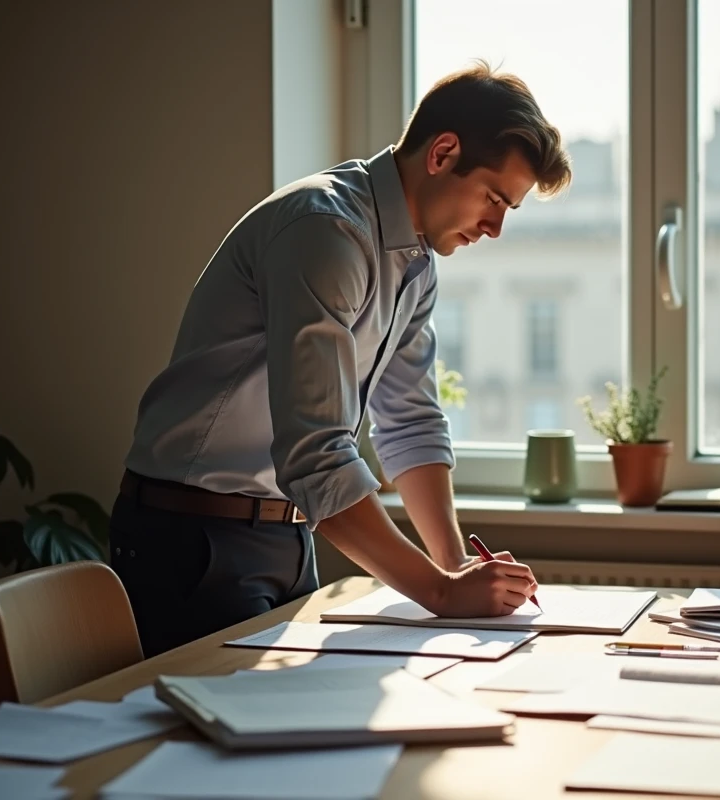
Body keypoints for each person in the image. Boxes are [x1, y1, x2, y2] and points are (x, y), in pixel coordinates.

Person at [108, 60, 573, 658]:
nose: (495, 227)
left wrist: (454, 565)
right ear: (442, 153)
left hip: (286, 536)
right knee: (214, 719)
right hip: (193, 537)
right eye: (492, 197)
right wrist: (440, 592)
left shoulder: (416, 264)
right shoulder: (325, 230)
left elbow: (410, 423)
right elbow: (316, 453)